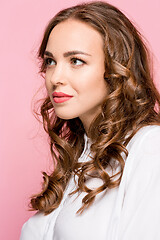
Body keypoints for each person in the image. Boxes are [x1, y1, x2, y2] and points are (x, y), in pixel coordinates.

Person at [20, 1, 160, 239]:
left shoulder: (149, 147)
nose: (56, 77)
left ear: (116, 69)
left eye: (76, 61)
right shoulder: (78, 156)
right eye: (51, 61)